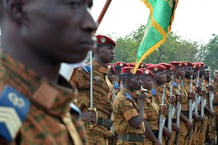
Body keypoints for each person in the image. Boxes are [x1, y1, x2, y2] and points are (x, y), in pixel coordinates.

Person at [0, 0, 97, 144]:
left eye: (88, 7)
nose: (91, 24)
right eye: (73, 4)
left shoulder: (59, 107)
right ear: (18, 8)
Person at [71, 34, 116, 145]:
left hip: (103, 131)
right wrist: (80, 116)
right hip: (88, 131)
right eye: (109, 48)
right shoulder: (84, 72)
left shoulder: (105, 75)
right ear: (96, 49)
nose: (113, 52)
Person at [112, 67, 146, 145]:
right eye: (137, 79)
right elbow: (136, 123)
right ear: (127, 79)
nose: (141, 82)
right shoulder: (123, 98)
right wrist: (142, 103)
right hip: (127, 142)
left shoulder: (133, 98)